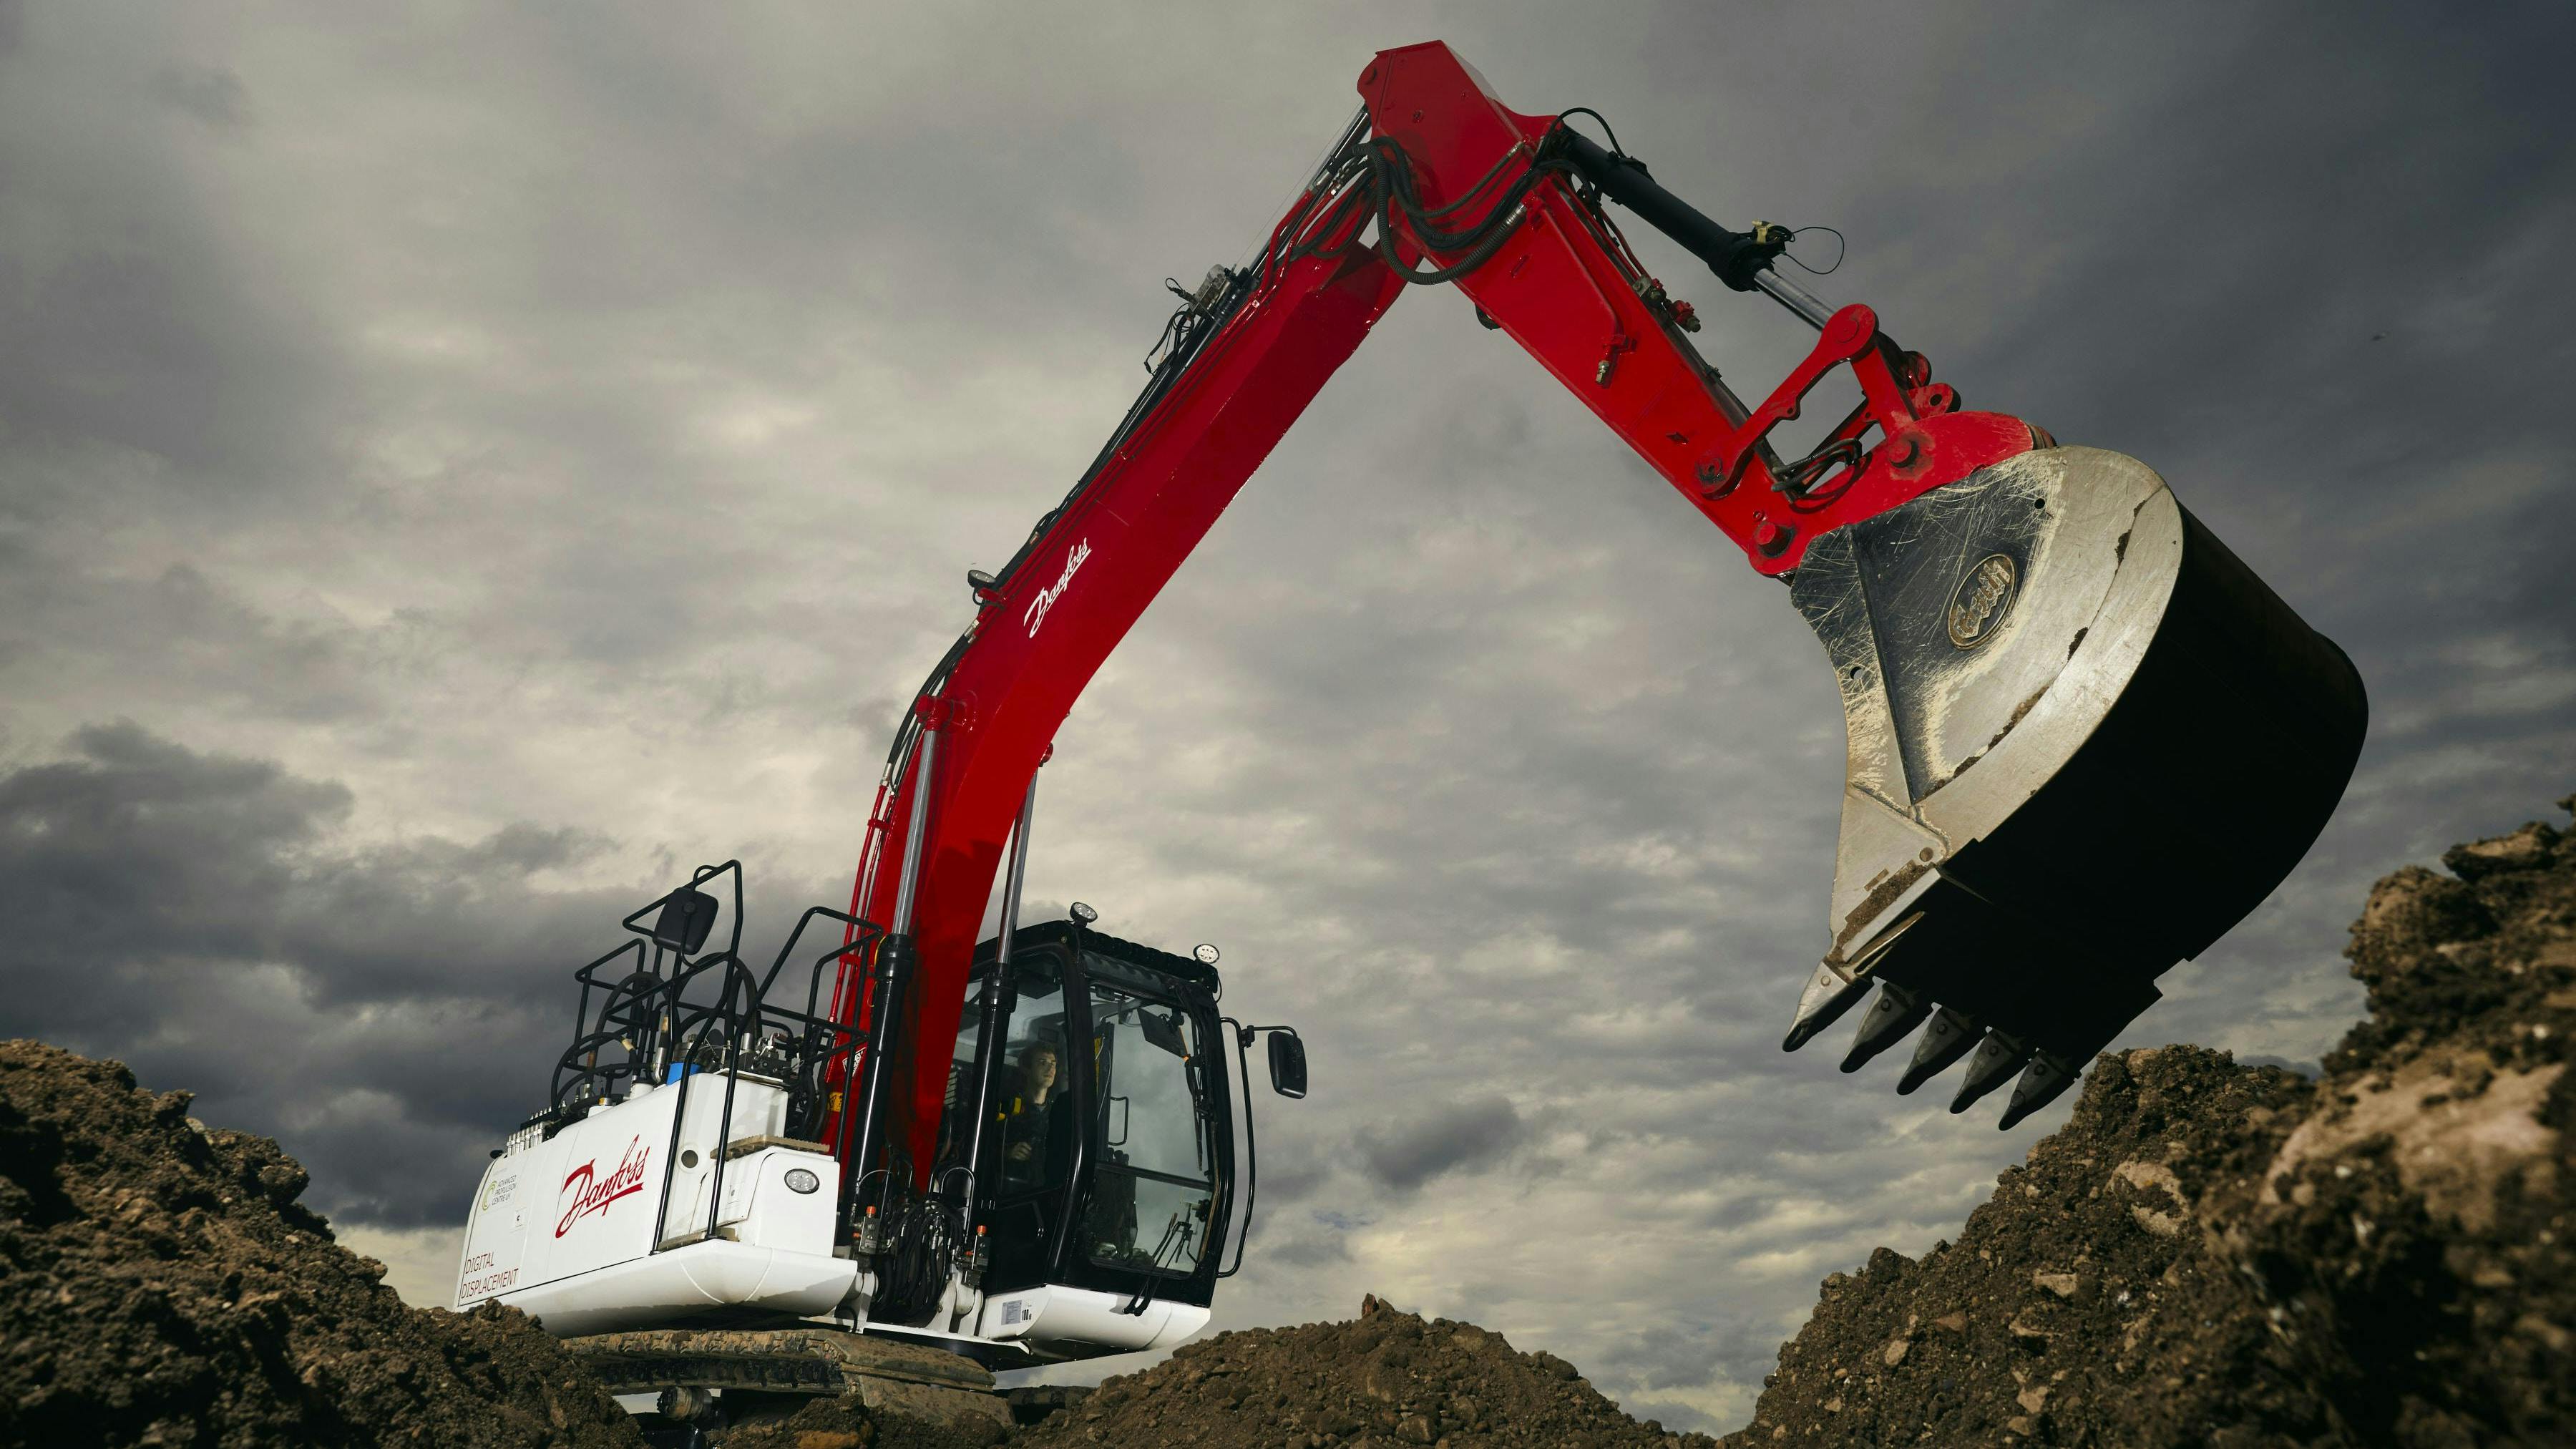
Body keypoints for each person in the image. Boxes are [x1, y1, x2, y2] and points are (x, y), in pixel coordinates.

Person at [1000, 1040, 1066, 1183]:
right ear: (1026, 1068)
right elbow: (977, 1146)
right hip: (1007, 1190)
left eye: (1053, 1063)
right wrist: (1006, 1153)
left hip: (1042, 1192)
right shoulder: (1007, 1106)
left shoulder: (1058, 1115)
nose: (1050, 1068)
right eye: (1043, 1062)